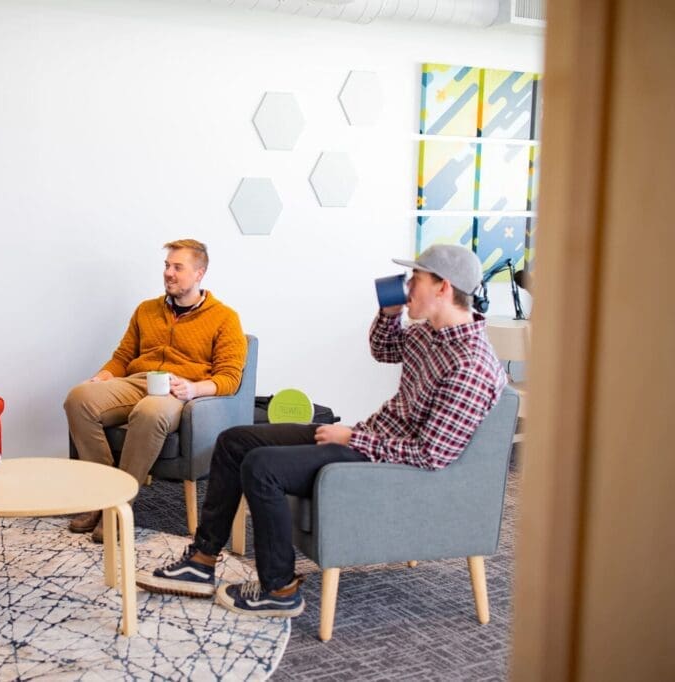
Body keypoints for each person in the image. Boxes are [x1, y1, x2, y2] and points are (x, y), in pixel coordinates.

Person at [137, 244, 508, 618]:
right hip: (370, 437)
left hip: (382, 458)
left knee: (261, 466)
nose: (408, 285)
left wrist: (351, 438)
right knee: (236, 440)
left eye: (417, 279)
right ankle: (201, 561)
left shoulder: (470, 364)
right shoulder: (430, 333)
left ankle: (279, 588)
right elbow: (385, 349)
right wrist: (390, 312)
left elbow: (432, 454)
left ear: (443, 287)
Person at [64, 239, 247, 542]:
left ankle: (119, 506)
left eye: (178, 267)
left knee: (149, 412)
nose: (169, 273)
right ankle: (104, 494)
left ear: (200, 273)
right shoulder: (146, 310)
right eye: (166, 266)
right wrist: (104, 376)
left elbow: (229, 378)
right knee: (78, 398)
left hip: (177, 392)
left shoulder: (224, 318)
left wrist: (193, 388)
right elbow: (123, 356)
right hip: (138, 380)